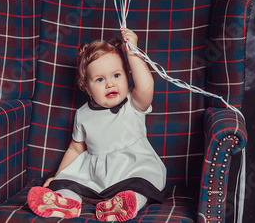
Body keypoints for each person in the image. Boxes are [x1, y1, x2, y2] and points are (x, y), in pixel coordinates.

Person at [27, 28, 167, 221]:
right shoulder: (83, 114)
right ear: (87, 87)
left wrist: (132, 50)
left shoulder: (133, 103)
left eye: (116, 75)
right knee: (67, 184)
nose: (110, 84)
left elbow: (146, 85)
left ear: (128, 76)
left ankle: (124, 204)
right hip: (95, 174)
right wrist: (57, 176)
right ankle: (65, 203)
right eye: (100, 79)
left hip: (133, 167)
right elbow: (76, 149)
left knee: (139, 187)